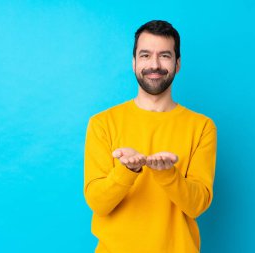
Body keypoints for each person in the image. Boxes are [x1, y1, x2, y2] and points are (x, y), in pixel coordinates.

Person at [84, 20, 217, 253]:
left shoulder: (202, 127)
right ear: (134, 63)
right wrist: (127, 171)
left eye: (164, 55)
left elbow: (197, 206)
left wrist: (167, 174)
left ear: (177, 64)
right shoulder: (102, 124)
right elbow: (98, 203)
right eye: (145, 55)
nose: (154, 64)